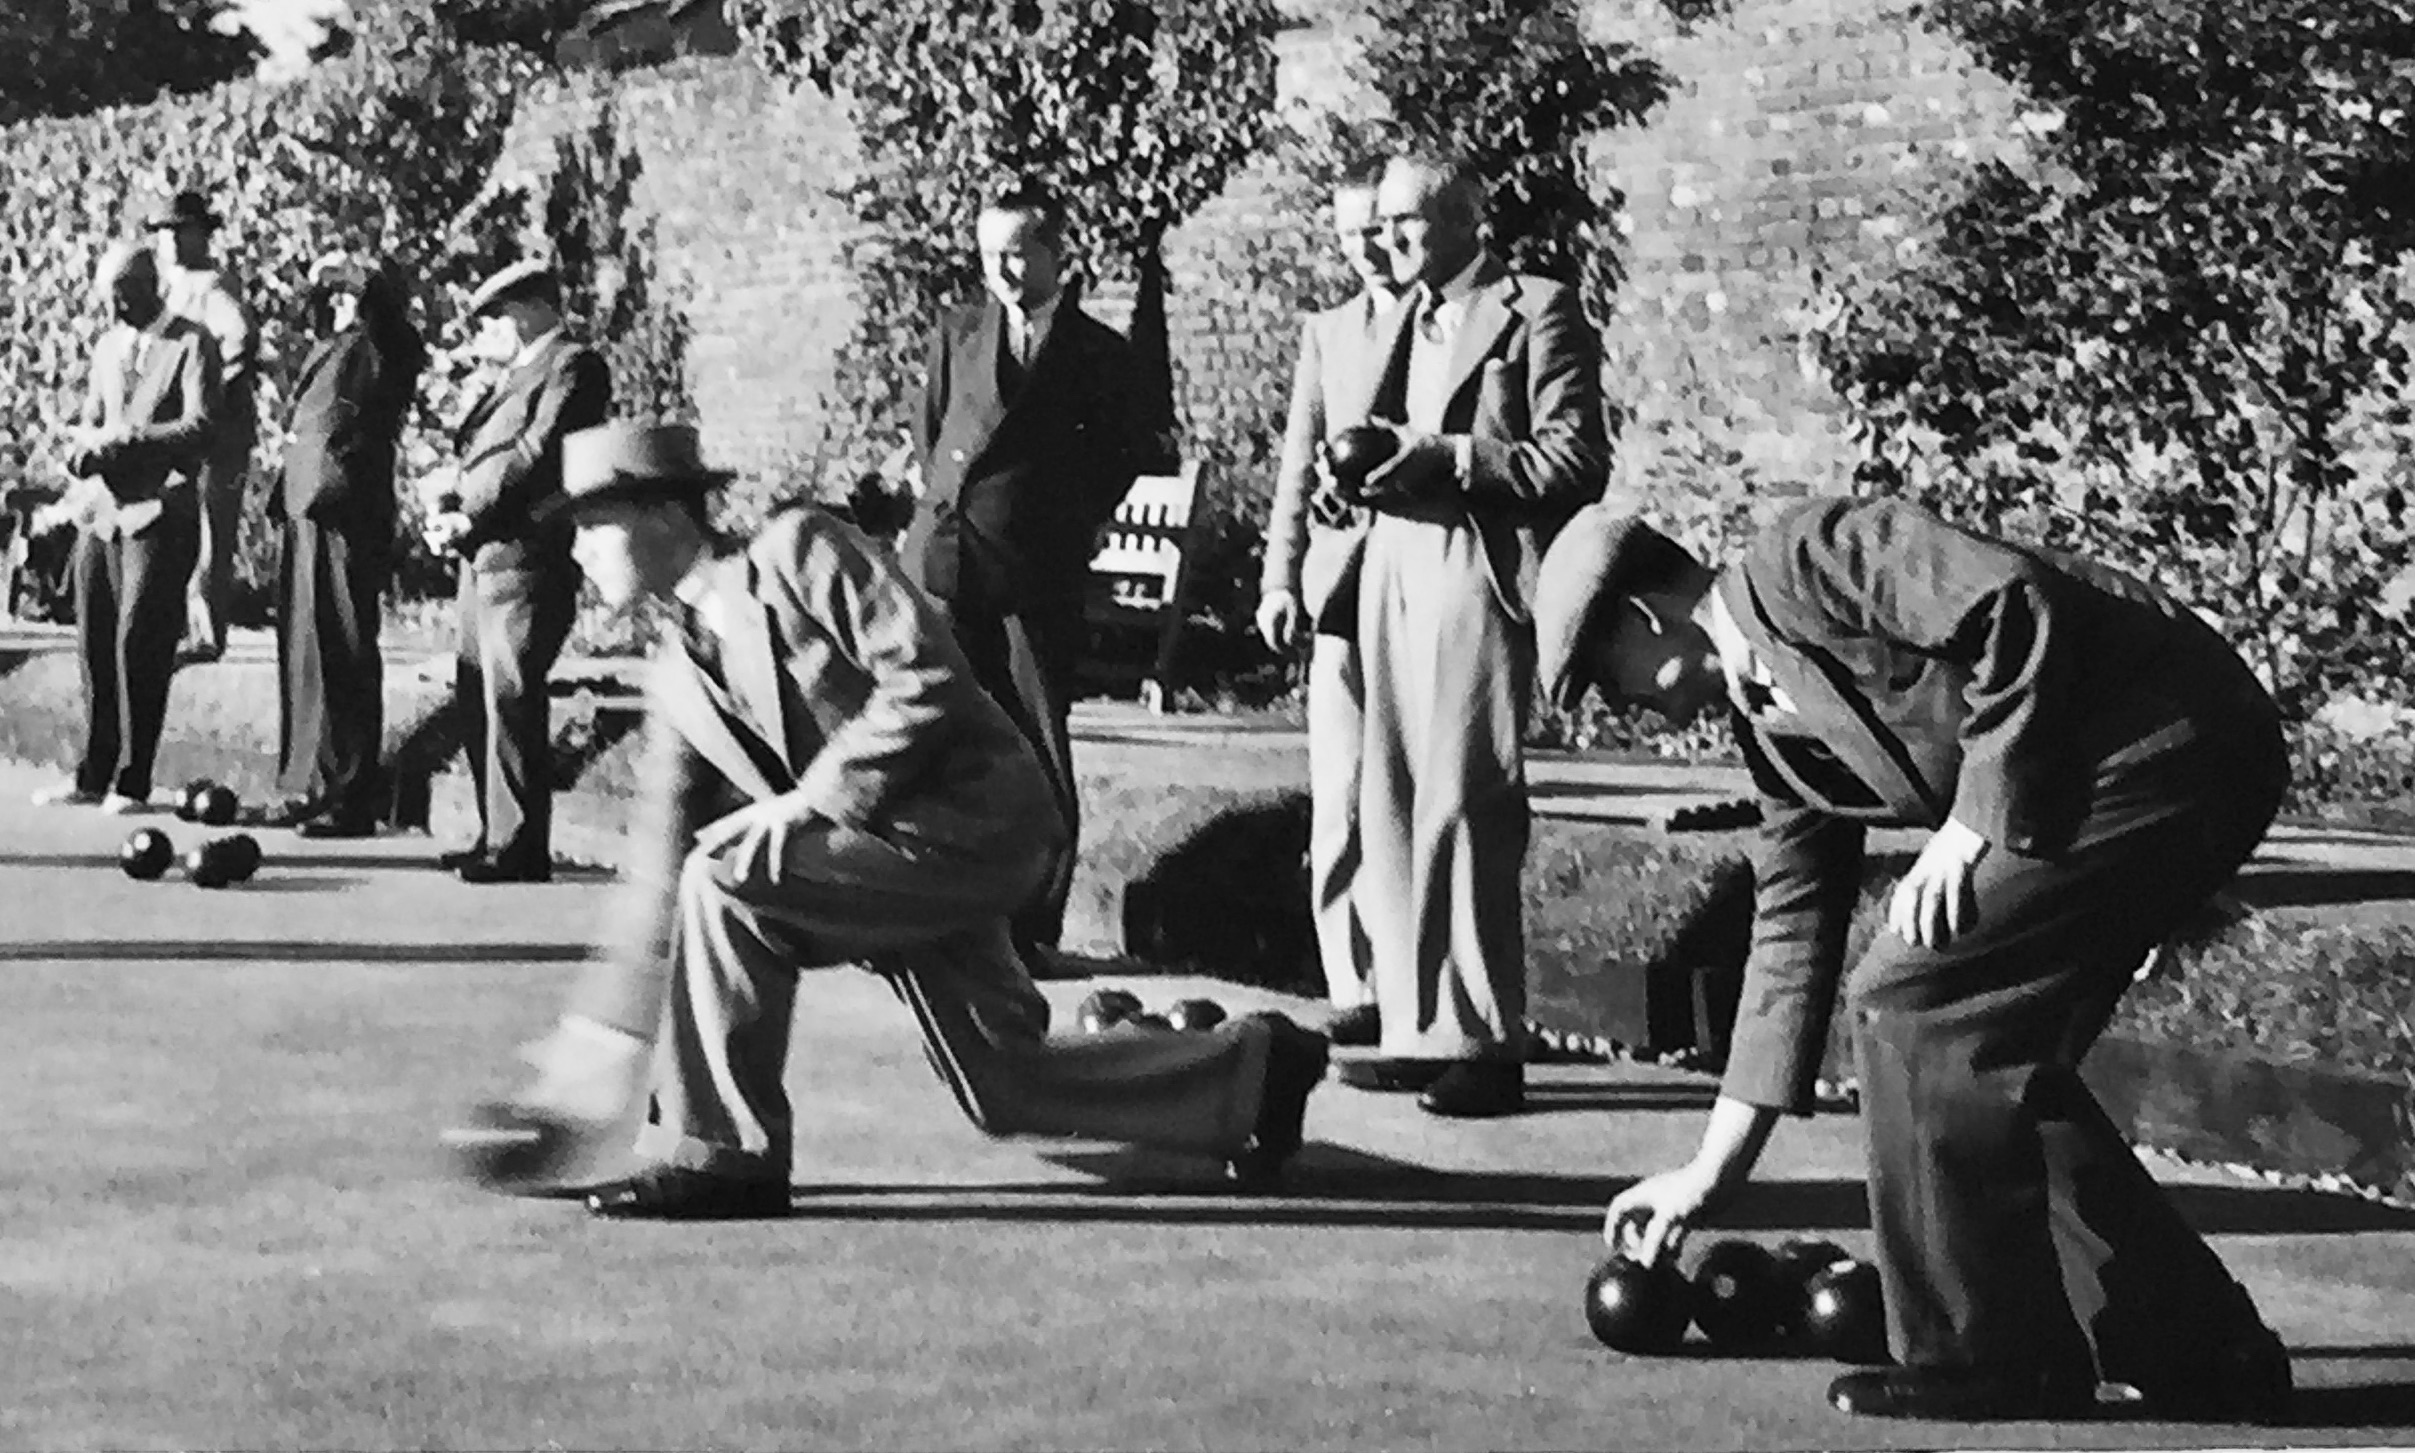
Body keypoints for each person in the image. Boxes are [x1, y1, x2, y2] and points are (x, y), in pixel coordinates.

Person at [443, 421, 1331, 1220]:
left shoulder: (800, 550)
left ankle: (720, 1155)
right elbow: (651, 878)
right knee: (1004, 1087)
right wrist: (590, 1056)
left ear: (667, 515)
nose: (579, 550)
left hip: (977, 828)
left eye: (593, 523)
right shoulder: (677, 669)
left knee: (726, 875)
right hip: (881, 866)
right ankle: (1250, 1074)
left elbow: (925, 675)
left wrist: (810, 802)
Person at [1536, 496, 2294, 1422]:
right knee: (1991, 1059)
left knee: (1909, 998)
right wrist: (1710, 1173)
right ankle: (2200, 1346)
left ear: (1641, 616)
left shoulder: (1808, 559)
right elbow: (1788, 942)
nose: (1627, 708)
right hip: (2104, 782)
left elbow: (2013, 605)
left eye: (1607, 679)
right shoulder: (1776, 745)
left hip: (2173, 736)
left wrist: (1974, 819)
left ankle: (1985, 1352)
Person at [1324, 152, 1609, 1118]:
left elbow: (1574, 459)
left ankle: (1485, 1039)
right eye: (1385, 223)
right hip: (1391, 559)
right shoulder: (1395, 315)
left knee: (1467, 795)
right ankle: (1415, 1025)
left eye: (1409, 222)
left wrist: (1448, 454)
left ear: (1464, 220)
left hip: (1471, 565)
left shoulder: (1537, 309)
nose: (1389, 239)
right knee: (1390, 795)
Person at [900, 178, 1158, 971]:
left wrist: (1061, 521)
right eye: (989, 256)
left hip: (1035, 572)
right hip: (949, 565)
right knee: (944, 744)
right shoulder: (957, 331)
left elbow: (1123, 454)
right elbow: (929, 430)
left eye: (1018, 253)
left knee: (1038, 744)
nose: (1004, 273)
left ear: (1056, 253)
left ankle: (1031, 925)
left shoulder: (1097, 354)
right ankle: (953, 917)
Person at [1257, 159, 1405, 1048]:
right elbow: (1295, 461)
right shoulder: (1329, 331)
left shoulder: (1444, 321)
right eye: (1349, 237)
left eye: (1378, 231)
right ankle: (1354, 980)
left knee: (1410, 792)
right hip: (1342, 590)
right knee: (1341, 793)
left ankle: (1413, 981)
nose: (1367, 251)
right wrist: (1280, 577)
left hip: (1420, 588)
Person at [421, 259, 611, 883]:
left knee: (512, 694)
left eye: (496, 317)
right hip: (486, 551)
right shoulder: (514, 375)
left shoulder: (573, 365)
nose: (489, 331)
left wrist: (468, 509)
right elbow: (485, 452)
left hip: (528, 550)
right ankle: (493, 831)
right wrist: (451, 499)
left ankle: (521, 844)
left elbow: (537, 453)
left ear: (530, 310)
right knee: (478, 693)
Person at [27, 243, 221, 812]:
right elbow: (93, 417)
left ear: (148, 287)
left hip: (160, 513)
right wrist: (79, 453)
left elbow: (202, 427)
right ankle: (93, 772)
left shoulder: (192, 343)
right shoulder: (109, 347)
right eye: (107, 300)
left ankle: (134, 779)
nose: (113, 310)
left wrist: (128, 442)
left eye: (122, 297)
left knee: (140, 642)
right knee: (95, 644)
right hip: (104, 513)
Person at [270, 254, 428, 837]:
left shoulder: (387, 344)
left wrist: (344, 271)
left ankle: (352, 794)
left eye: (345, 296)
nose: (335, 303)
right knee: (305, 653)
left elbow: (383, 305)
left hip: (348, 511)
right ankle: (309, 781)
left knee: (346, 651)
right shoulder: (329, 348)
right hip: (305, 508)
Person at [149, 188, 257, 667]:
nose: (169, 240)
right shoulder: (169, 286)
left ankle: (206, 634)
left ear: (200, 235)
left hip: (217, 434)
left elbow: (240, 340)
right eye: (163, 231)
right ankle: (178, 626)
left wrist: (211, 398)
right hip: (184, 433)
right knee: (180, 525)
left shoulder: (211, 284)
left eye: (178, 230)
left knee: (213, 527)